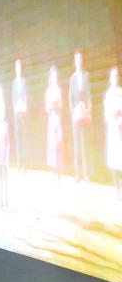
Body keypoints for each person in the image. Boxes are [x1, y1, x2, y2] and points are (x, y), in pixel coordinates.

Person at [68, 50, 91, 183]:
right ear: (75, 61)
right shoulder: (72, 78)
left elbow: (89, 95)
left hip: (84, 114)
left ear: (82, 61)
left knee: (84, 144)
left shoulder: (86, 75)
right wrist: (73, 112)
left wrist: (88, 110)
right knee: (76, 144)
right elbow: (70, 98)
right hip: (76, 116)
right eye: (77, 59)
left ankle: (86, 174)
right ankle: (77, 174)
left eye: (80, 59)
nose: (79, 61)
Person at [104, 67, 122, 201]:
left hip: (121, 127)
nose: (115, 79)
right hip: (112, 128)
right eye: (113, 76)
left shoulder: (121, 92)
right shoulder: (109, 94)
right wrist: (113, 120)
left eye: (117, 76)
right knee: (114, 159)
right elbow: (107, 113)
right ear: (110, 79)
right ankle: (116, 188)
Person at [45, 65, 64, 185]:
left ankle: (59, 170)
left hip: (58, 117)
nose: (54, 78)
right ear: (50, 77)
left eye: (55, 76)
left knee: (59, 142)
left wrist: (58, 104)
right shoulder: (48, 91)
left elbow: (61, 104)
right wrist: (50, 106)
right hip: (51, 117)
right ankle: (53, 169)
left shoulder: (58, 89)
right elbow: (46, 107)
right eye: (52, 76)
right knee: (52, 144)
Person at [11, 59, 27, 170]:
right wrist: (16, 109)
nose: (18, 70)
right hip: (16, 113)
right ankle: (19, 165)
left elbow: (25, 96)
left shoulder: (23, 81)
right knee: (18, 139)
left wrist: (24, 107)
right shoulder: (14, 83)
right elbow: (13, 98)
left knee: (24, 139)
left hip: (23, 113)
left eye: (19, 67)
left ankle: (24, 166)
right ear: (15, 69)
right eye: (17, 68)